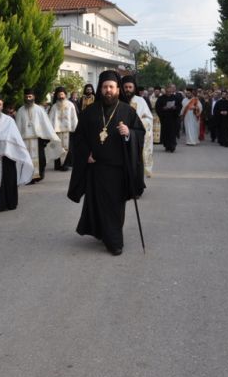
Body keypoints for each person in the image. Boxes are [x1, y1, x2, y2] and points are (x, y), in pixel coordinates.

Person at [67, 70, 145, 255]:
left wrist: (129, 134)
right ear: (100, 89)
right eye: (104, 87)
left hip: (118, 169)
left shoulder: (128, 111)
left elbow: (140, 134)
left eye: (111, 87)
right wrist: (86, 154)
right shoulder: (89, 112)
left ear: (118, 89)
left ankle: (115, 242)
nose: (108, 90)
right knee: (99, 205)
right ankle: (105, 234)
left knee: (115, 207)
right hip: (96, 169)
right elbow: (78, 138)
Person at [15, 88, 61, 183]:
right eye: (26, 96)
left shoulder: (39, 110)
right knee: (26, 160)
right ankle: (28, 178)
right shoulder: (20, 111)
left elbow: (45, 124)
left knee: (41, 160)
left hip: (37, 139)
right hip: (25, 140)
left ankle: (38, 175)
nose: (28, 98)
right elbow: (17, 126)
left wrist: (50, 136)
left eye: (30, 96)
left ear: (33, 97)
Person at [121, 75, 154, 179]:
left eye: (130, 87)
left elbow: (149, 119)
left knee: (136, 162)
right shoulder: (118, 101)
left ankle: (136, 186)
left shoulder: (140, 101)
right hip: (120, 136)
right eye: (125, 87)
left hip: (136, 136)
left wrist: (137, 123)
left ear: (134, 88)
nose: (128, 89)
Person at [47, 86, 79, 171]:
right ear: (57, 96)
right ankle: (57, 165)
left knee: (68, 148)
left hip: (68, 130)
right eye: (59, 95)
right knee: (57, 148)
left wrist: (75, 128)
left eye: (62, 94)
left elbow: (74, 117)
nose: (61, 96)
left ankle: (66, 165)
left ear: (65, 95)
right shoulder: (54, 107)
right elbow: (51, 119)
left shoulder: (70, 105)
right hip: (57, 131)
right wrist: (50, 130)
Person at [155, 84, 182, 153]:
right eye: (167, 92)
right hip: (165, 118)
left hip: (173, 118)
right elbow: (157, 108)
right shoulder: (161, 98)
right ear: (165, 91)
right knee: (165, 133)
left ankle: (172, 146)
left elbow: (179, 106)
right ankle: (167, 145)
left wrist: (175, 108)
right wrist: (163, 108)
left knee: (172, 133)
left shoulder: (176, 98)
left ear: (172, 91)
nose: (169, 93)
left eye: (170, 92)